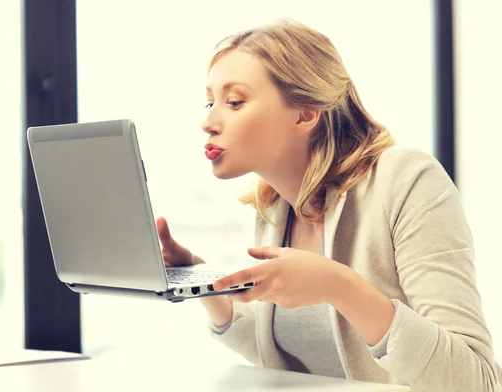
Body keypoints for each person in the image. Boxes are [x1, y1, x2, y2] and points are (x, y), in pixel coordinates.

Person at [156, 19, 502, 391]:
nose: (208, 121)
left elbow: (476, 381)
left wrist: (340, 286)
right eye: (210, 102)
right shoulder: (274, 206)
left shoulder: (406, 179)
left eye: (234, 102)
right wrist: (204, 284)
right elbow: (299, 358)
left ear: (305, 113)